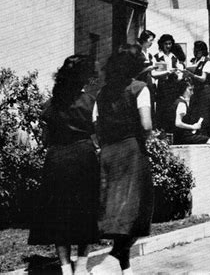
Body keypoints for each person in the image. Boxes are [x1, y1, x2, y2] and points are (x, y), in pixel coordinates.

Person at [28, 55, 99, 275]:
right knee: (86, 213)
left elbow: (44, 138)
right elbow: (98, 133)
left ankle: (65, 268)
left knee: (59, 214)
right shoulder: (91, 101)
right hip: (84, 158)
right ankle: (81, 267)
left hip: (57, 160)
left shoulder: (50, 104)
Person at [92, 48, 154, 275]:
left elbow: (96, 125)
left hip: (109, 151)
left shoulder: (102, 93)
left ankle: (125, 268)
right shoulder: (140, 89)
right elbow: (146, 125)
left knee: (119, 210)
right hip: (131, 150)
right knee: (138, 210)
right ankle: (110, 261)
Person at [184, 41, 210, 138]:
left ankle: (206, 135)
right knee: (195, 112)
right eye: (195, 50)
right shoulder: (194, 61)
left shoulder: (207, 61)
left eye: (199, 50)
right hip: (196, 91)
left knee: (204, 113)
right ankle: (195, 133)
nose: (197, 52)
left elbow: (203, 78)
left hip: (204, 91)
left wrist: (192, 75)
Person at [153, 34, 185, 132]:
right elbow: (155, 73)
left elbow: (180, 72)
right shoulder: (157, 57)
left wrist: (179, 74)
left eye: (170, 44)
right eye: (166, 44)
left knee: (173, 111)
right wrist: (167, 72)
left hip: (174, 87)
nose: (168, 46)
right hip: (162, 88)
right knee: (162, 111)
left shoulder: (174, 57)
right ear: (161, 44)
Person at [169, 79, 210, 144]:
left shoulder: (177, 101)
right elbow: (178, 123)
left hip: (179, 136)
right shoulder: (181, 104)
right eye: (190, 90)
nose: (192, 93)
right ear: (183, 89)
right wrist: (193, 127)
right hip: (182, 137)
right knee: (209, 140)